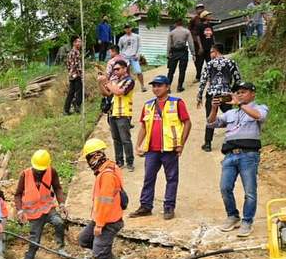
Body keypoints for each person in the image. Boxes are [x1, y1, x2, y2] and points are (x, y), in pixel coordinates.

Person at [208, 81, 268, 237]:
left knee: (250, 191)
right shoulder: (230, 114)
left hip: (249, 155)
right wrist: (214, 108)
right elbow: (211, 123)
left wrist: (240, 104)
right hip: (229, 155)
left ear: (252, 93)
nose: (240, 94)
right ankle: (232, 216)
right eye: (237, 92)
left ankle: (247, 221)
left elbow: (259, 117)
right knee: (225, 187)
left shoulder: (259, 107)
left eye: (243, 91)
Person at [130, 75, 192, 220]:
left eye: (159, 85)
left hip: (170, 149)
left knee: (171, 178)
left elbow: (187, 123)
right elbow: (144, 127)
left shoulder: (177, 103)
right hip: (152, 149)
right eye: (154, 86)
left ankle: (169, 207)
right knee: (148, 178)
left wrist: (181, 144)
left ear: (167, 87)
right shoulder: (148, 105)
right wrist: (138, 145)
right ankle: (145, 206)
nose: (156, 88)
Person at [77, 139, 124, 259]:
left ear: (96, 155)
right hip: (101, 217)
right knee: (84, 239)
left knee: (99, 253)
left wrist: (99, 224)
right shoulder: (105, 169)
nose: (90, 162)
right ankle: (110, 257)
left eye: (90, 158)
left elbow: (105, 202)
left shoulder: (107, 175)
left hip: (109, 221)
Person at [14, 150, 66, 259]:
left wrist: (62, 204)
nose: (39, 171)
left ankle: (61, 248)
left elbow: (57, 188)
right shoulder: (25, 174)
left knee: (59, 222)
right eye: (37, 169)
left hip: (48, 208)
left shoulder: (51, 172)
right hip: (33, 213)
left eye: (41, 169)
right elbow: (17, 194)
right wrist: (20, 211)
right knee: (35, 240)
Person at [197, 43, 241, 152]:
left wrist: (199, 96)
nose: (210, 54)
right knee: (230, 117)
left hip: (212, 95)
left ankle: (207, 144)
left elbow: (202, 81)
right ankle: (233, 141)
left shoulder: (209, 64)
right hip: (226, 95)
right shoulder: (231, 62)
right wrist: (232, 91)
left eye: (211, 52)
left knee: (210, 118)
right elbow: (238, 79)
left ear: (215, 51)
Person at [97, 59, 135, 171]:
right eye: (114, 70)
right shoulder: (115, 82)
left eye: (117, 69)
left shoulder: (129, 81)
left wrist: (107, 81)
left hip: (123, 113)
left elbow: (119, 92)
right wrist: (100, 83)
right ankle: (119, 162)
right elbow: (107, 93)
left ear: (124, 68)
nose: (115, 71)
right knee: (116, 139)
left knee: (125, 139)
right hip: (112, 113)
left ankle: (129, 162)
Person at [166, 19, 195, 92]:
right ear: (182, 23)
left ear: (176, 24)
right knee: (182, 70)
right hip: (183, 52)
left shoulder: (171, 33)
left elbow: (169, 44)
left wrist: (168, 53)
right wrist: (193, 54)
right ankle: (179, 87)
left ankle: (168, 87)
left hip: (174, 52)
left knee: (171, 71)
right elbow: (191, 43)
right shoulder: (186, 31)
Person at [118, 24, 146, 92]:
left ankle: (142, 86)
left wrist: (138, 55)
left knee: (138, 71)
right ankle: (128, 87)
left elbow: (139, 46)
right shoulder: (122, 38)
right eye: (126, 28)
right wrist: (121, 56)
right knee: (126, 72)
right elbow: (119, 48)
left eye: (128, 28)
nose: (127, 29)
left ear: (131, 28)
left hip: (134, 56)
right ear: (124, 29)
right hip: (125, 57)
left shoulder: (136, 36)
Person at [64, 36, 83, 115]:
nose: (80, 43)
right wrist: (79, 74)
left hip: (71, 75)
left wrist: (70, 73)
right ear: (74, 43)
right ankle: (77, 105)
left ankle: (66, 110)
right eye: (78, 41)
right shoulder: (76, 52)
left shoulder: (70, 52)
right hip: (76, 74)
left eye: (80, 41)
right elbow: (75, 65)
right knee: (79, 92)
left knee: (71, 92)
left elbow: (68, 65)